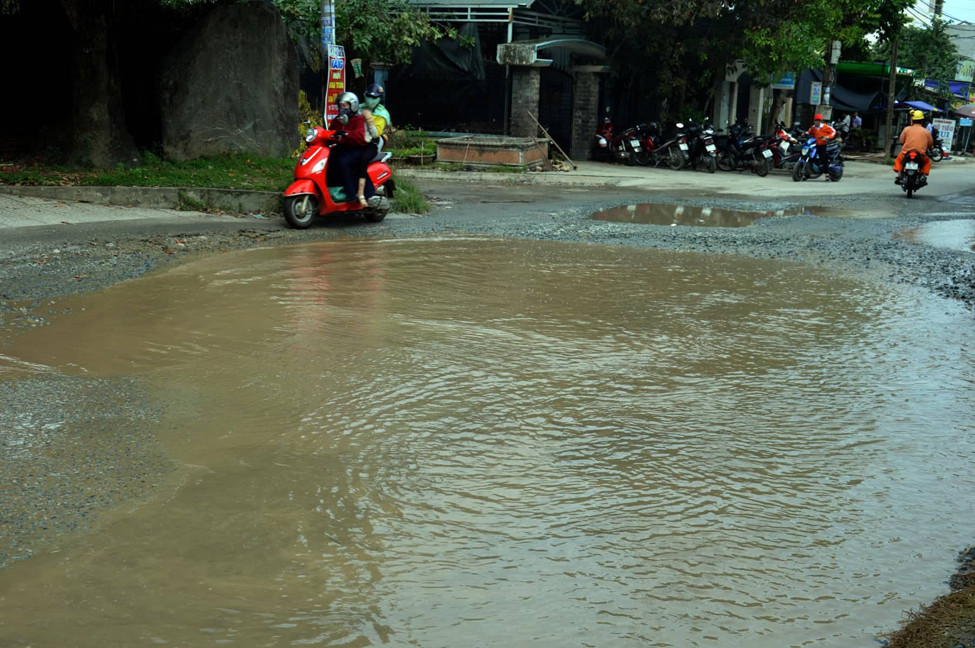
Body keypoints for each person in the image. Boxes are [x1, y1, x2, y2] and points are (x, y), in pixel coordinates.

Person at [326, 91, 376, 207]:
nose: (342, 108)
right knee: (328, 160)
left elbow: (360, 136)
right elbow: (331, 132)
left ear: (353, 105)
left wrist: (346, 134)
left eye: (345, 105)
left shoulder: (358, 119)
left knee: (343, 162)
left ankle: (351, 194)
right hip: (343, 148)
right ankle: (332, 189)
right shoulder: (337, 120)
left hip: (358, 148)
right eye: (340, 106)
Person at [892, 109, 934, 184]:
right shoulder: (926, 132)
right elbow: (930, 143)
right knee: (927, 162)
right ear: (922, 121)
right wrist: (930, 148)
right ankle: (923, 175)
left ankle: (899, 175)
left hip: (906, 153)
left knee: (898, 160)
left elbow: (901, 140)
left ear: (912, 120)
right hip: (920, 154)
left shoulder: (907, 129)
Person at [361, 83, 392, 152]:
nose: (370, 99)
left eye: (374, 97)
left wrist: (368, 118)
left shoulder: (381, 113)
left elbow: (375, 134)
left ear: (380, 98)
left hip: (373, 142)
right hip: (357, 138)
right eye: (368, 96)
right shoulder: (359, 107)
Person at [807, 113, 837, 180]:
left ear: (821, 121)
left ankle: (827, 173)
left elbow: (833, 131)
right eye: (816, 120)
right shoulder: (813, 127)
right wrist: (804, 134)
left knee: (823, 158)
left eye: (819, 120)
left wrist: (828, 137)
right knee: (811, 157)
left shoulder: (825, 126)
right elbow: (809, 132)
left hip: (822, 144)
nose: (817, 122)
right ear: (814, 121)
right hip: (814, 145)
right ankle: (808, 173)